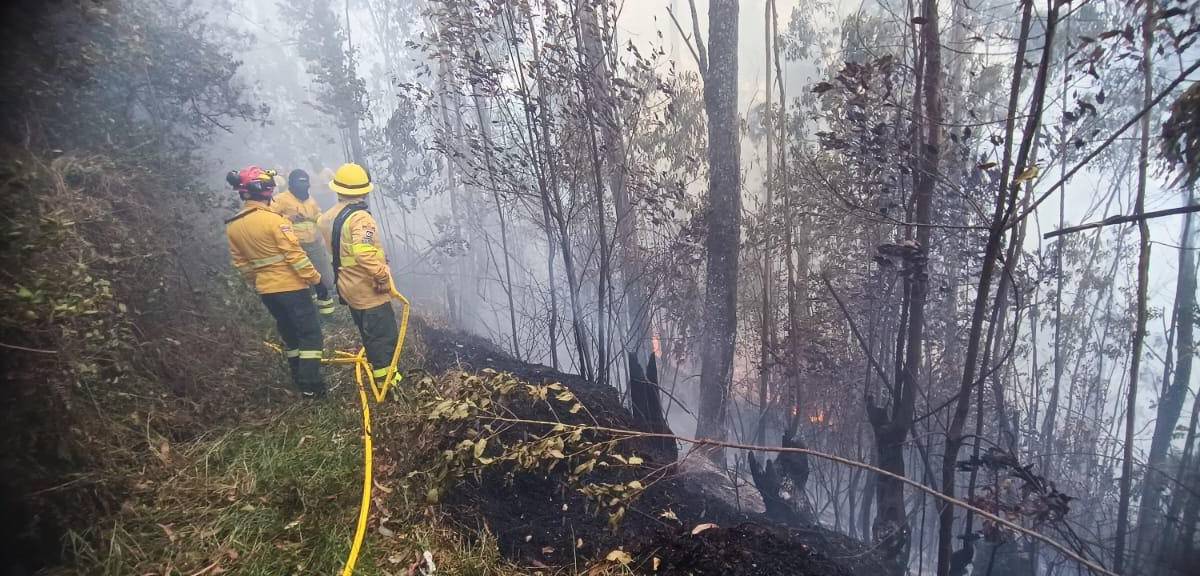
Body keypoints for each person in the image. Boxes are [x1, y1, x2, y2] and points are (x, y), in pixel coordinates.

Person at [225, 166, 329, 398]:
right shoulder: (274, 221)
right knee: (310, 334)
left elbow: (242, 265)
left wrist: (261, 280)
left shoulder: (233, 225)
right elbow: (295, 256)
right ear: (265, 190)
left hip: (266, 291)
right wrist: (317, 281)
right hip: (291, 287)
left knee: (290, 335)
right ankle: (311, 386)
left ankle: (298, 378)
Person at [317, 162, 399, 384]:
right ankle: (388, 383)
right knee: (383, 335)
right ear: (363, 190)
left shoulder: (326, 217)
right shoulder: (361, 218)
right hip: (367, 289)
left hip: (347, 285)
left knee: (369, 334)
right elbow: (363, 254)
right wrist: (382, 274)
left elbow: (343, 252)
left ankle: (380, 372)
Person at [271, 169, 335, 315]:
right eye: (300, 183)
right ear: (291, 184)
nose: (303, 186)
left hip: (315, 244)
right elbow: (271, 220)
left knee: (326, 279)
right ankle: (313, 312)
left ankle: (327, 313)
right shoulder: (280, 199)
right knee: (305, 281)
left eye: (306, 183)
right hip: (296, 247)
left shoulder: (310, 200)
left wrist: (322, 220)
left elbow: (317, 214)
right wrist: (289, 218)